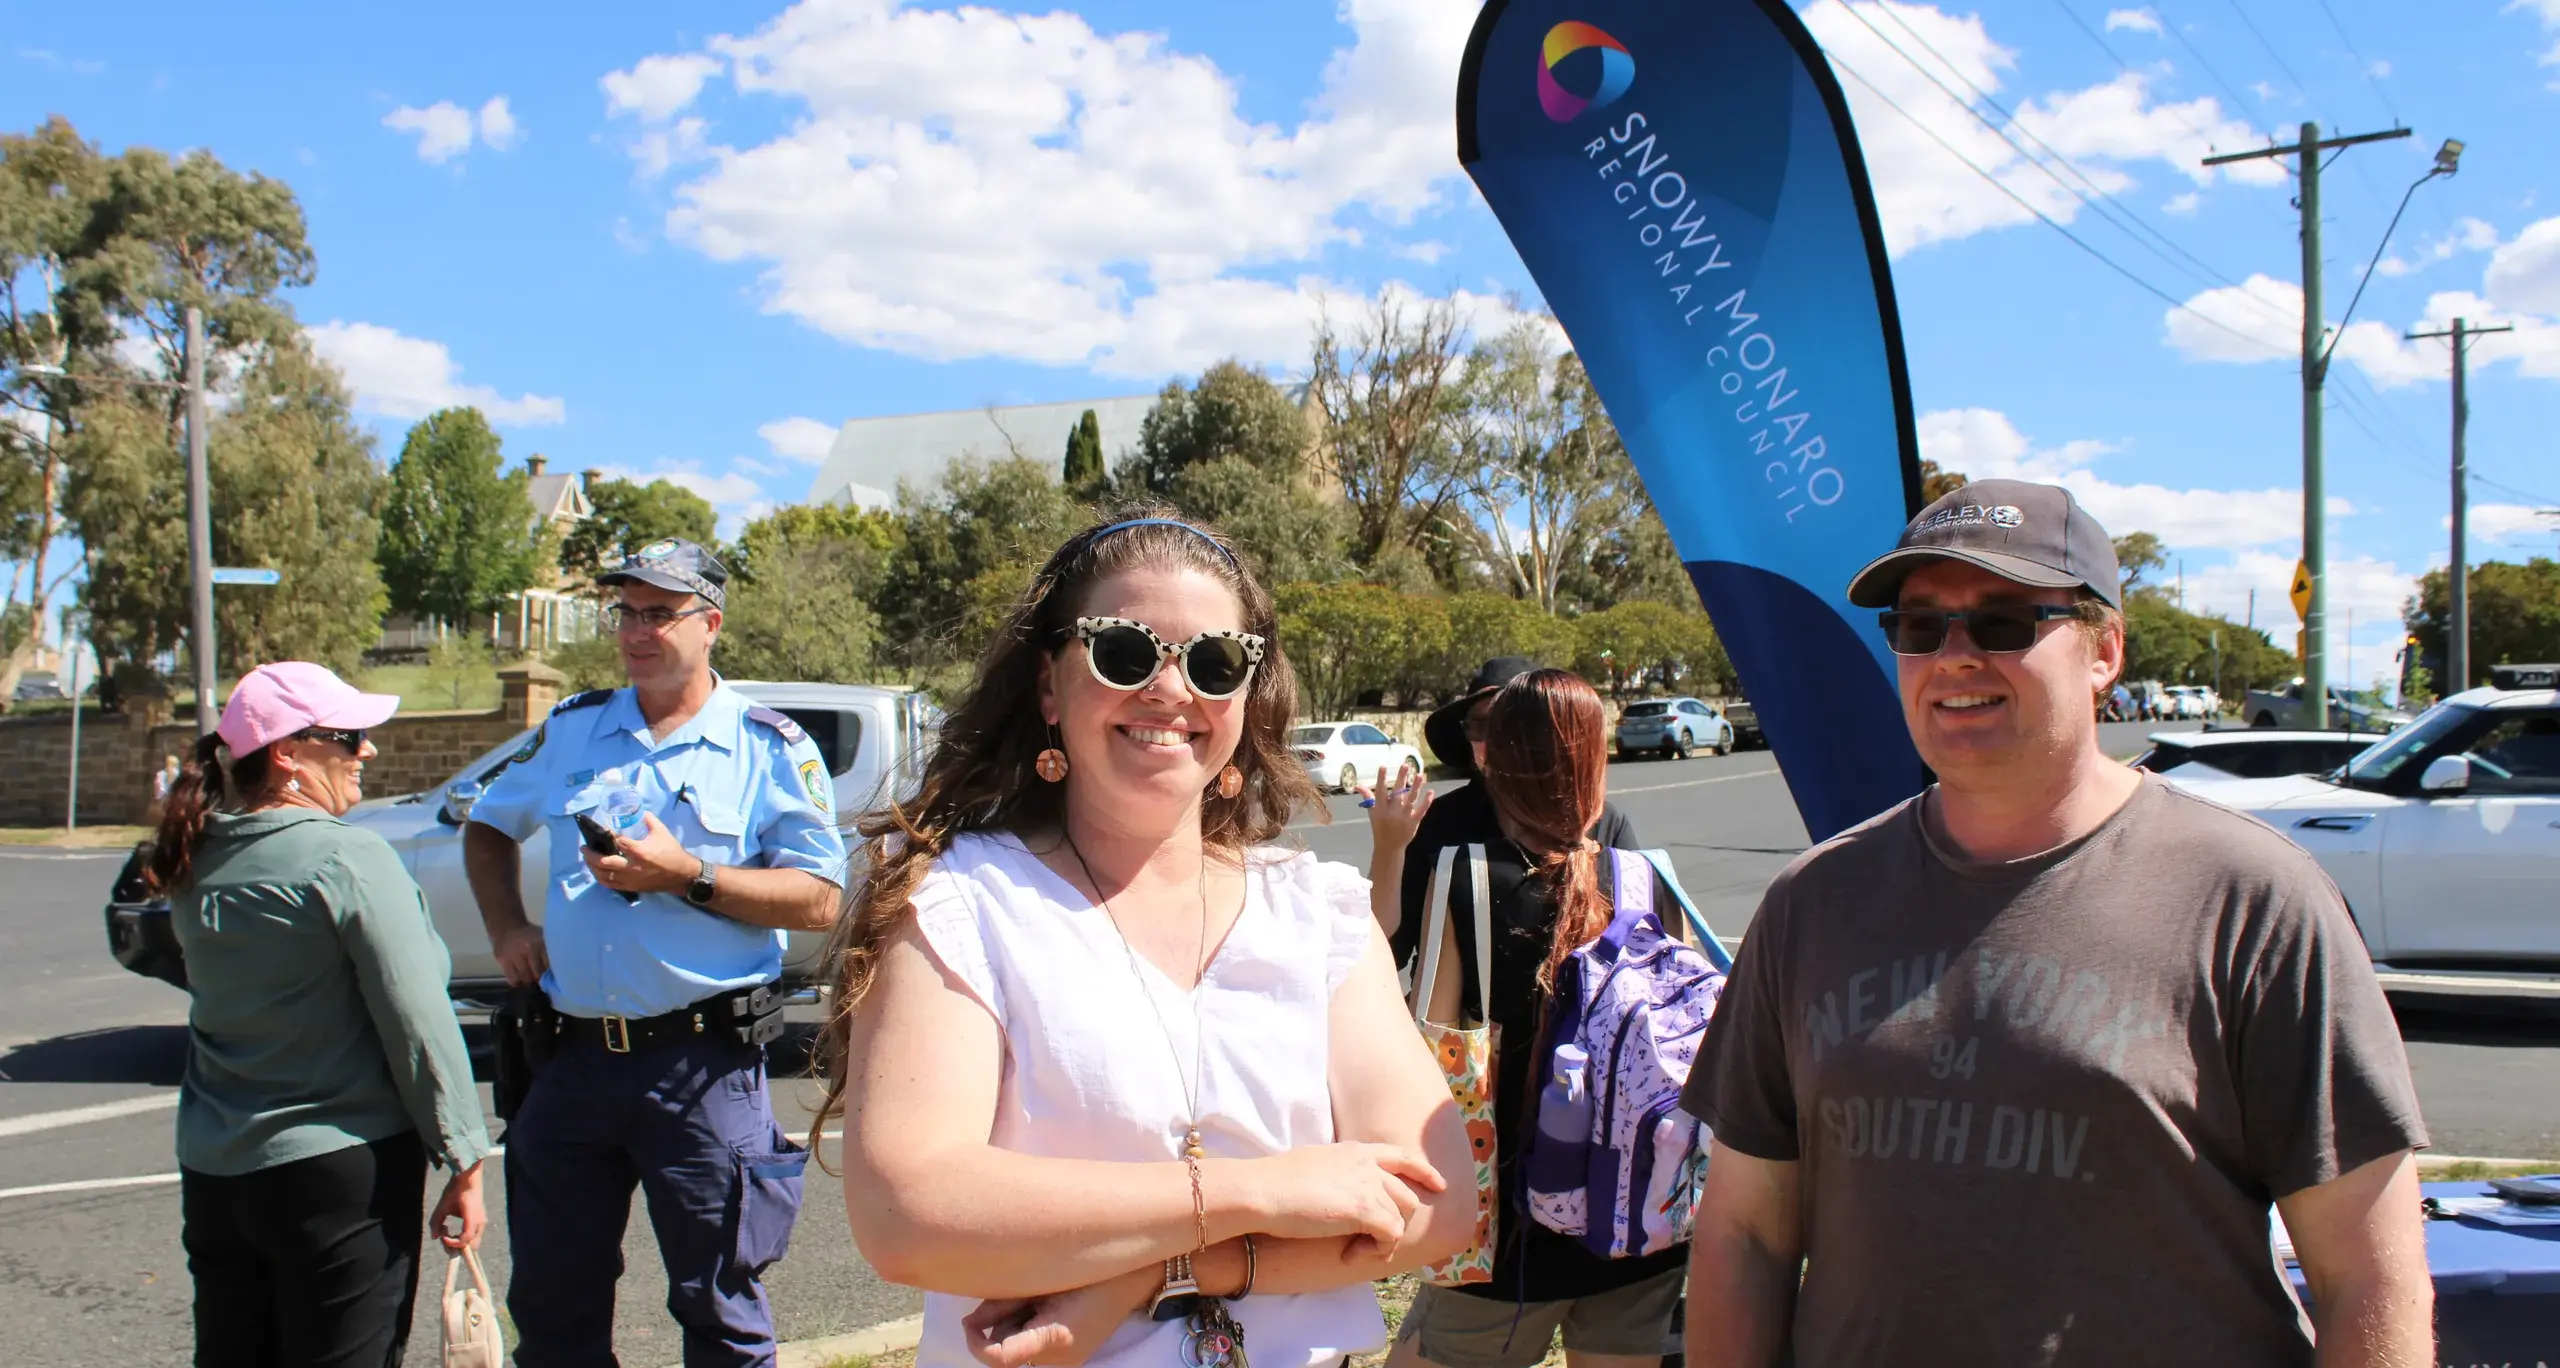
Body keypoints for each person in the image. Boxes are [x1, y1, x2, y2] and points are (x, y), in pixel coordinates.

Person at [1683, 479, 2432, 1367]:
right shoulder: (1812, 902)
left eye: (2003, 622)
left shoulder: (2254, 899)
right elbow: (1744, 1235)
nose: (1954, 657)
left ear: (2104, 650)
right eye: (1919, 627)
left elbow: (2369, 1278)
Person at [813, 510, 1475, 1368]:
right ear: (1049, 686)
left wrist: (1155, 1274)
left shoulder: (1319, 913)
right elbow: (908, 1213)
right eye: (1123, 652)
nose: (1169, 689)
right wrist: (1262, 1190)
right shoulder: (956, 902)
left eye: (1213, 662)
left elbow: (1439, 1206)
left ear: (1246, 695)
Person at [462, 538, 848, 1368]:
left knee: (721, 1313)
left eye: (660, 614)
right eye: (626, 613)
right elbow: (487, 826)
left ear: (711, 623)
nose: (637, 631)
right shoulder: (573, 729)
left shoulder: (767, 744)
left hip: (701, 1069)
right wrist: (507, 930)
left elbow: (820, 897)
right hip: (571, 1062)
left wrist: (689, 876)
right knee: (553, 1315)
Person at [148, 661, 490, 1368]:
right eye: (349, 736)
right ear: (287, 753)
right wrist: (463, 1155)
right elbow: (417, 1018)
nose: (367, 749)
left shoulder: (194, 857)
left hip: (216, 1170)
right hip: (339, 1169)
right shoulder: (345, 857)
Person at [1383, 666, 1691, 1368]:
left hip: (1507, 1225)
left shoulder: (1463, 872)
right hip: (1635, 1213)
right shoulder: (1647, 874)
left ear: (1501, 755)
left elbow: (1434, 1048)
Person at [1364, 657, 1643, 943]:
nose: (1496, 741)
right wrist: (1389, 850)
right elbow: (1385, 947)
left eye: (1513, 727)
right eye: (1481, 725)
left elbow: (1645, 945)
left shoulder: (1606, 823)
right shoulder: (1439, 823)